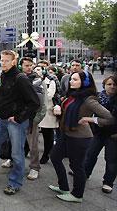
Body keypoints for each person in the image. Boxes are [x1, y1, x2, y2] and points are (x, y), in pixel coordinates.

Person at [49, 71, 114, 202]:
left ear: (84, 82)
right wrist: (58, 109)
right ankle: (63, 187)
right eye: (71, 79)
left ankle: (77, 195)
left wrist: (90, 119)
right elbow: (66, 111)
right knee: (55, 157)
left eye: (75, 79)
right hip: (66, 133)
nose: (71, 81)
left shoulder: (89, 99)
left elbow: (110, 118)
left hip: (80, 137)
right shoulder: (72, 95)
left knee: (76, 166)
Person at [0, 50, 40, 195]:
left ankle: (15, 182)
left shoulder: (21, 78)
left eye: (6, 60)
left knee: (17, 153)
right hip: (2, 120)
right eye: (2, 60)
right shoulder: (1, 76)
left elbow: (34, 103)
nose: (3, 63)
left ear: (14, 61)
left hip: (16, 123)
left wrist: (19, 117)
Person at [84, 75, 117, 193]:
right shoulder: (98, 97)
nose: (112, 87)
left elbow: (113, 119)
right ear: (104, 85)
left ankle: (108, 182)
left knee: (111, 159)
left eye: (114, 84)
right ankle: (85, 173)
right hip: (98, 132)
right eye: (109, 84)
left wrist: (93, 120)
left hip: (113, 134)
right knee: (90, 153)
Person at [36, 66, 59, 164]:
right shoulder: (34, 80)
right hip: (36, 110)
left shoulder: (50, 81)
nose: (36, 71)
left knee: (47, 134)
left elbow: (49, 95)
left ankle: (46, 154)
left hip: (47, 111)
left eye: (39, 69)